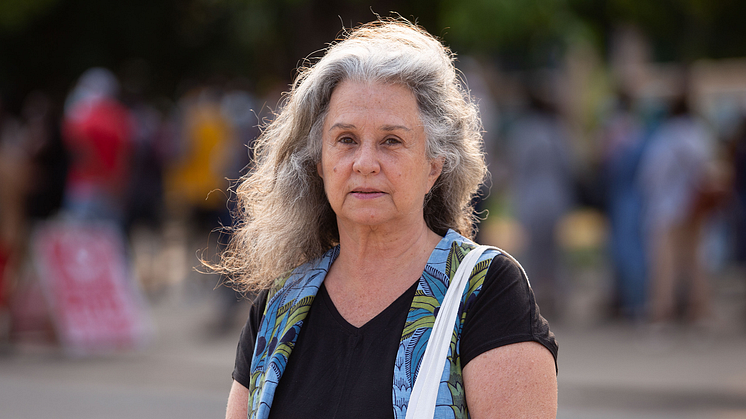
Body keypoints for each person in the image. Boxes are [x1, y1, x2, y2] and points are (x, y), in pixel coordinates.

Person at [216, 19, 558, 419]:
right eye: (345, 140)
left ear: (434, 164)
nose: (364, 163)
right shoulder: (279, 306)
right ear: (320, 162)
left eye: (391, 141)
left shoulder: (484, 291)